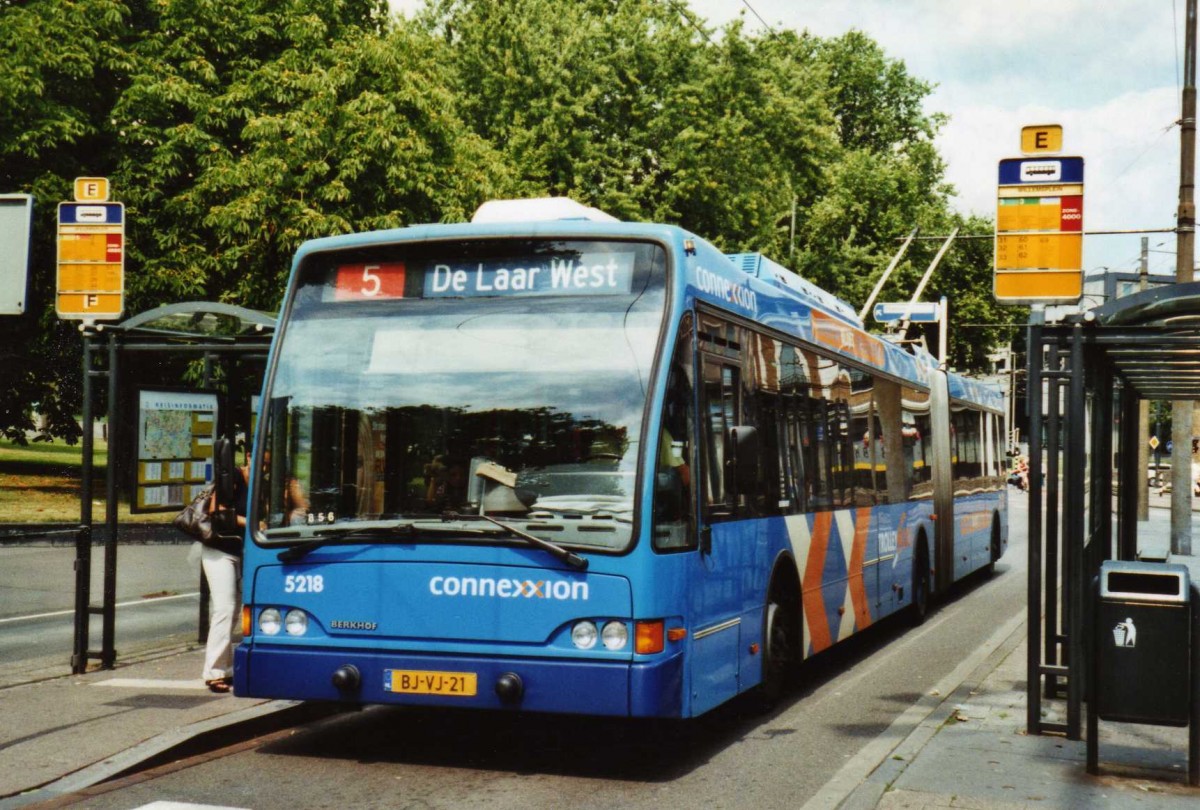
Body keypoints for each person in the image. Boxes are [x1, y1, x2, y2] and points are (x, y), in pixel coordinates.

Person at [201, 455, 248, 693]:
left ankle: (226, 670)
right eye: (262, 463)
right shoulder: (234, 478)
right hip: (219, 551)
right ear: (250, 455)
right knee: (224, 608)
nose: (264, 469)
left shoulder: (263, 484)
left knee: (234, 610)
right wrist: (249, 522)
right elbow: (216, 509)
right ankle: (214, 672)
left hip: (240, 553)